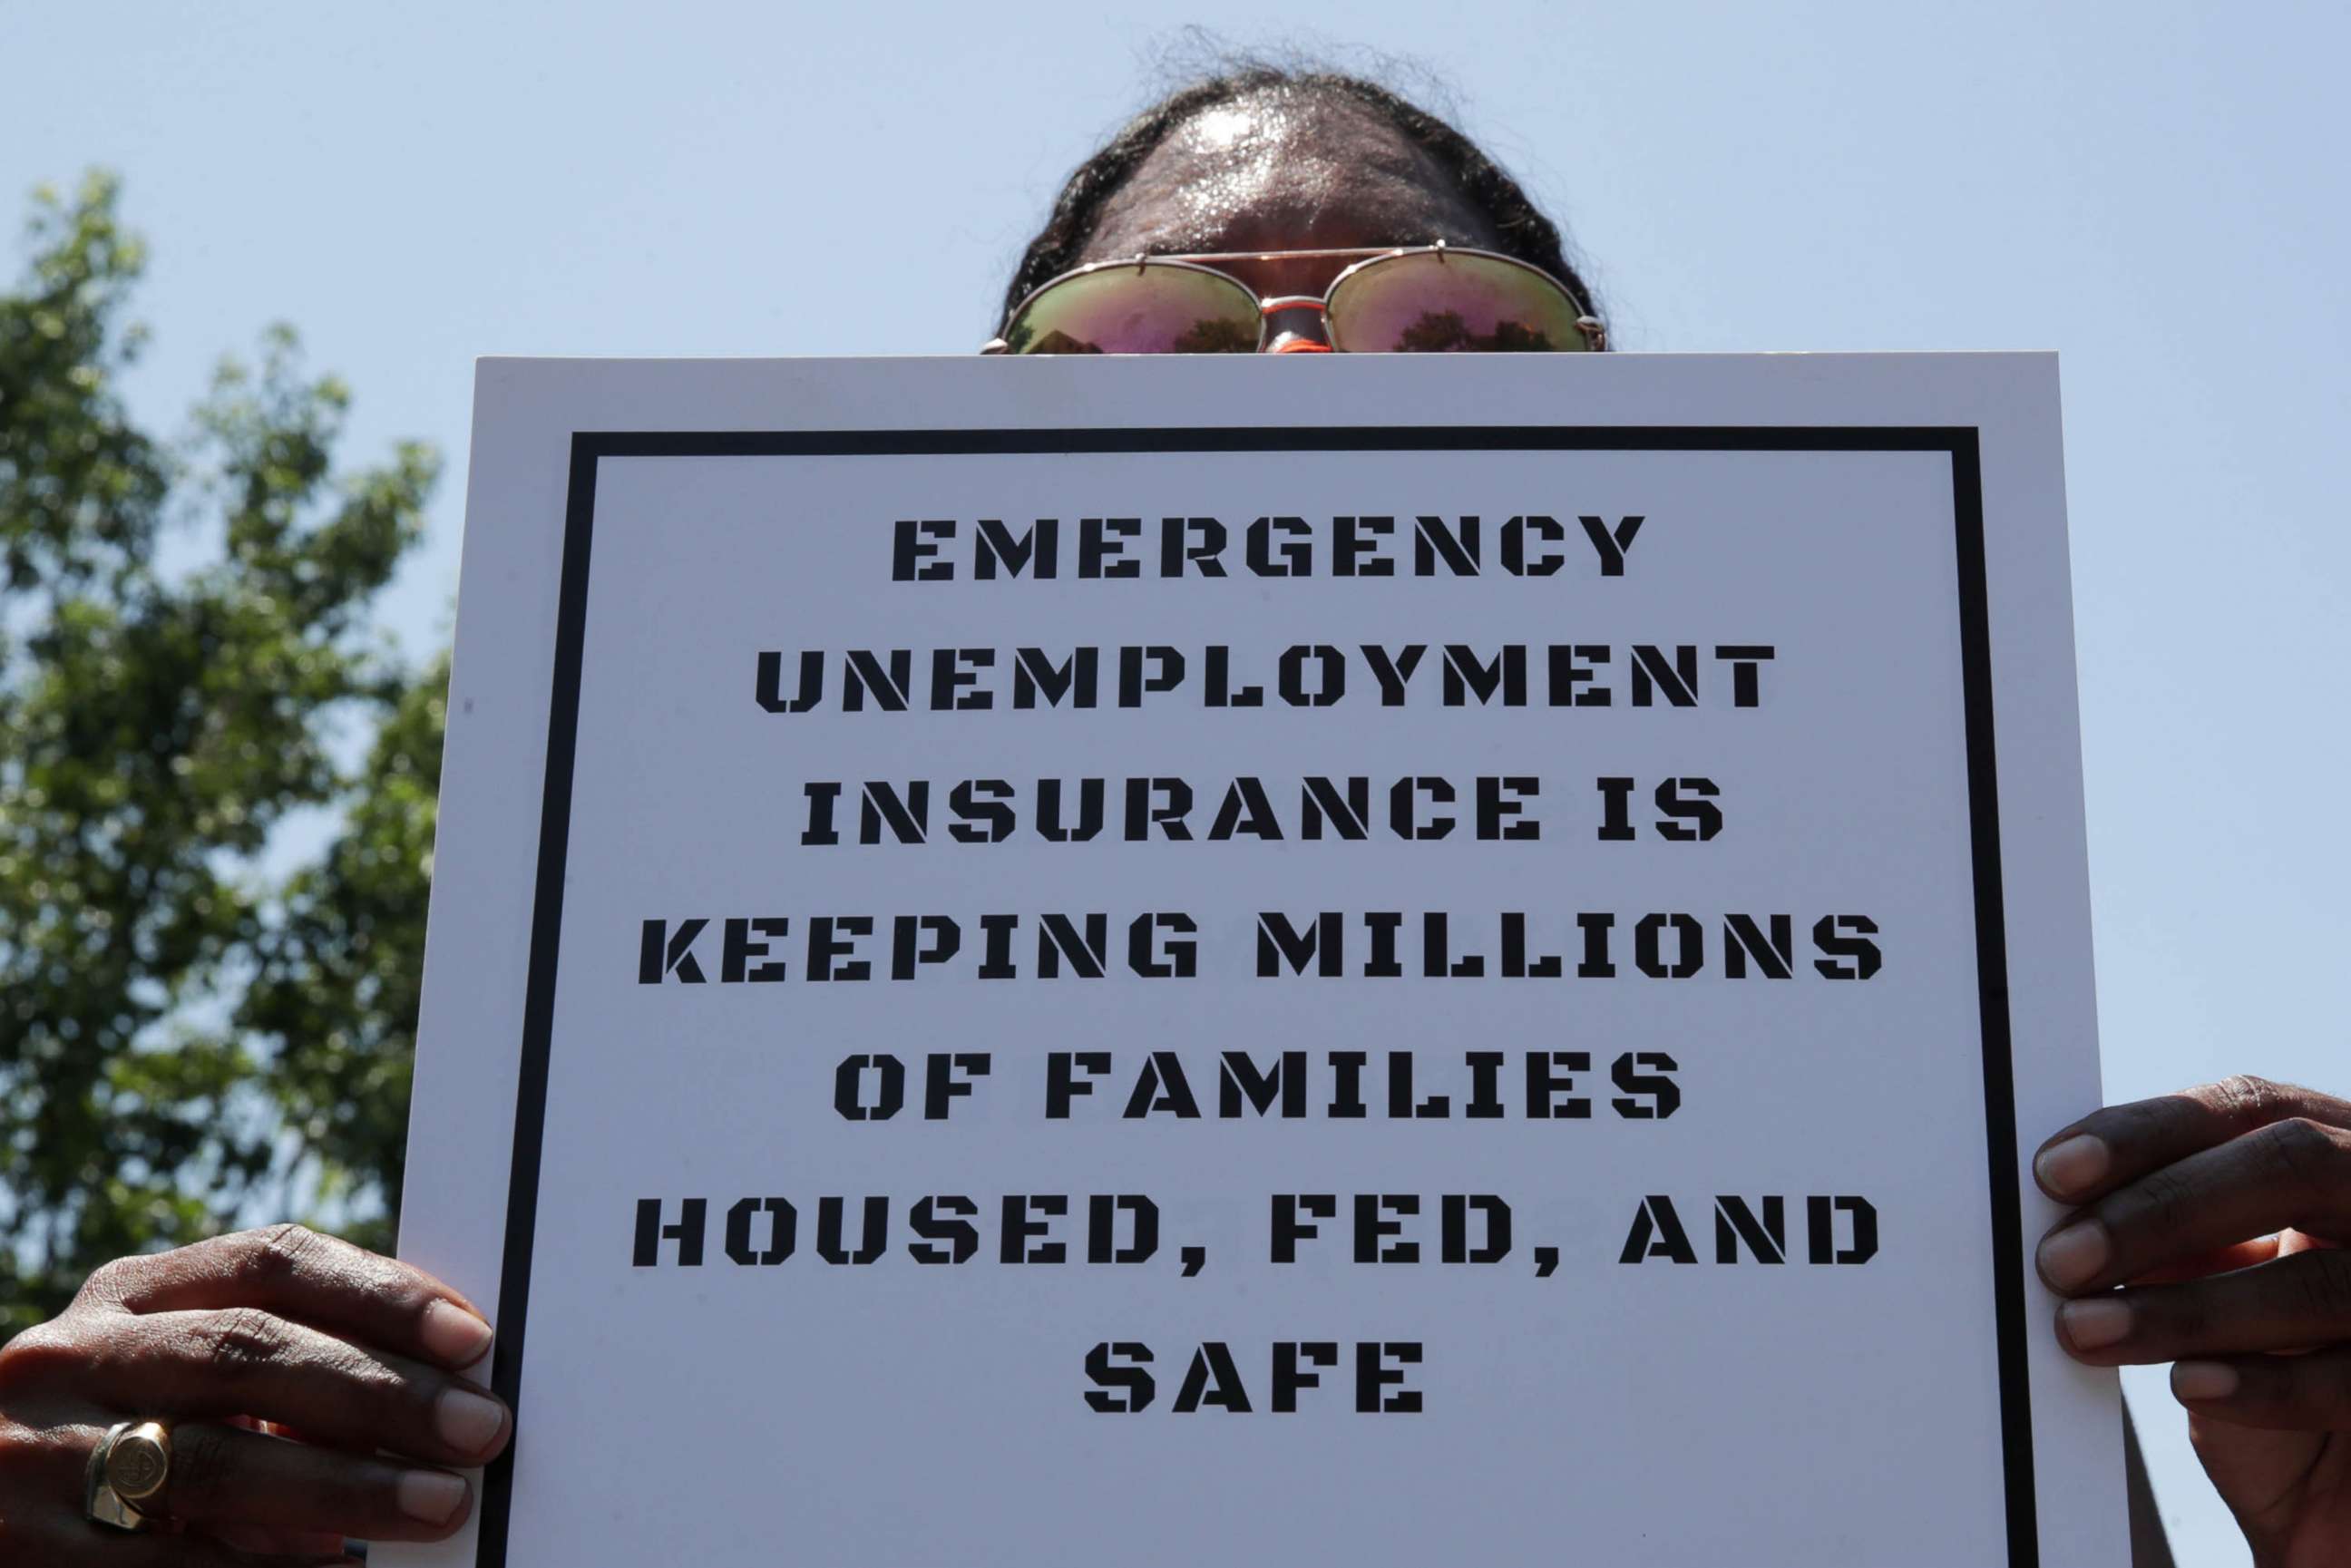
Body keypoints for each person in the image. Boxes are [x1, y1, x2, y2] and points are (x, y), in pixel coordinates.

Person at [3, 63, 2344, 1568]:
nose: (1305, 380)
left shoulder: (1944, 1331)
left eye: (1449, 321)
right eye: (1164, 331)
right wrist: (80, 1520)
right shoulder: (560, 1299)